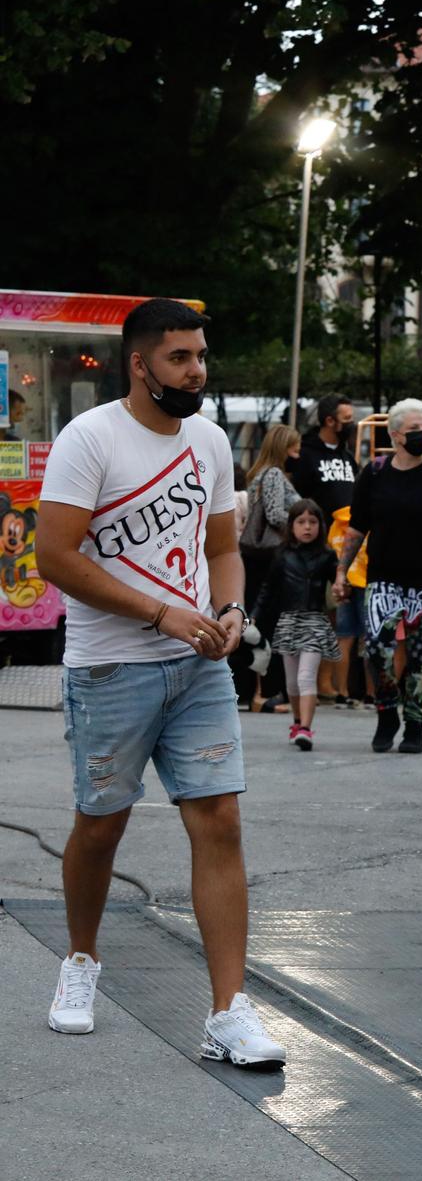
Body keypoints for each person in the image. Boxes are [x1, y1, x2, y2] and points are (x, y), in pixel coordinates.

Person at [39, 298, 286, 1068]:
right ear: (139, 363)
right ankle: (81, 960)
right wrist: (158, 613)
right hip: (111, 665)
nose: (197, 370)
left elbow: (222, 548)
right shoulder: (91, 437)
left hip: (198, 667)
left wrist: (229, 607)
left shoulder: (210, 441)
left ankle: (227, 1012)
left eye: (201, 355)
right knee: (102, 822)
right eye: (180, 357)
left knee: (220, 821)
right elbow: (54, 555)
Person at [334, 398, 422, 756]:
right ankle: (386, 712)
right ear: (395, 435)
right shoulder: (375, 473)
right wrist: (341, 573)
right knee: (378, 650)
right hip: (384, 578)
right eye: (414, 430)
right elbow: (356, 529)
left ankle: (414, 724)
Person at [253, 498, 340, 751]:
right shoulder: (281, 555)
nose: (307, 527)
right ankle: (297, 721)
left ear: (320, 526)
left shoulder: (327, 556)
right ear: (291, 526)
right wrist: (254, 615)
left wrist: (342, 587)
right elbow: (267, 589)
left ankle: (305, 729)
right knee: (291, 683)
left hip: (314, 621)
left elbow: (339, 582)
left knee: (305, 677)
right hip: (288, 622)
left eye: (312, 522)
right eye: (301, 522)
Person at [291, 394, 360, 706]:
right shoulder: (306, 455)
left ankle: (332, 682)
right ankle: (317, 682)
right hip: (317, 546)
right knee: (321, 614)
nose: (352, 423)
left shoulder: (348, 457)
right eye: (346, 418)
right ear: (329, 420)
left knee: (339, 616)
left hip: (347, 549)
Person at [236, 424, 300, 712]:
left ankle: (250, 690)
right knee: (267, 622)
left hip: (254, 556)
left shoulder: (259, 474)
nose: (298, 452)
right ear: (283, 447)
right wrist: (302, 523)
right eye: (293, 446)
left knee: (253, 621)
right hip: (269, 557)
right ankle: (267, 691)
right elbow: (275, 514)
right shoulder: (274, 475)